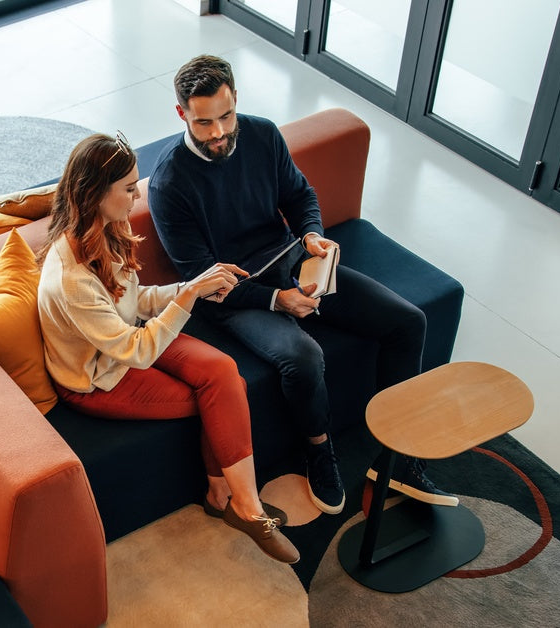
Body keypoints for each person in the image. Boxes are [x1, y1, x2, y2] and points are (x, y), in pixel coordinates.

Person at [148, 54, 456, 515]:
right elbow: (202, 279)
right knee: (303, 357)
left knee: (408, 321)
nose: (218, 133)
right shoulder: (170, 183)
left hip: (291, 262)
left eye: (226, 116)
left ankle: (398, 457)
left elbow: (299, 194)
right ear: (182, 115)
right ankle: (319, 452)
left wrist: (312, 232)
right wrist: (276, 300)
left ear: (237, 101)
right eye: (204, 122)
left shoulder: (262, 134)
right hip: (232, 296)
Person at [36, 132, 299, 564]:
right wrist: (188, 298)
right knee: (214, 397)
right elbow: (136, 352)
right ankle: (244, 508)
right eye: (127, 188)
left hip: (129, 337)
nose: (137, 195)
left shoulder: (106, 228)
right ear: (96, 194)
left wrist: (192, 286)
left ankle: (225, 498)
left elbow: (134, 301)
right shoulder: (71, 279)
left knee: (223, 372)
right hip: (96, 379)